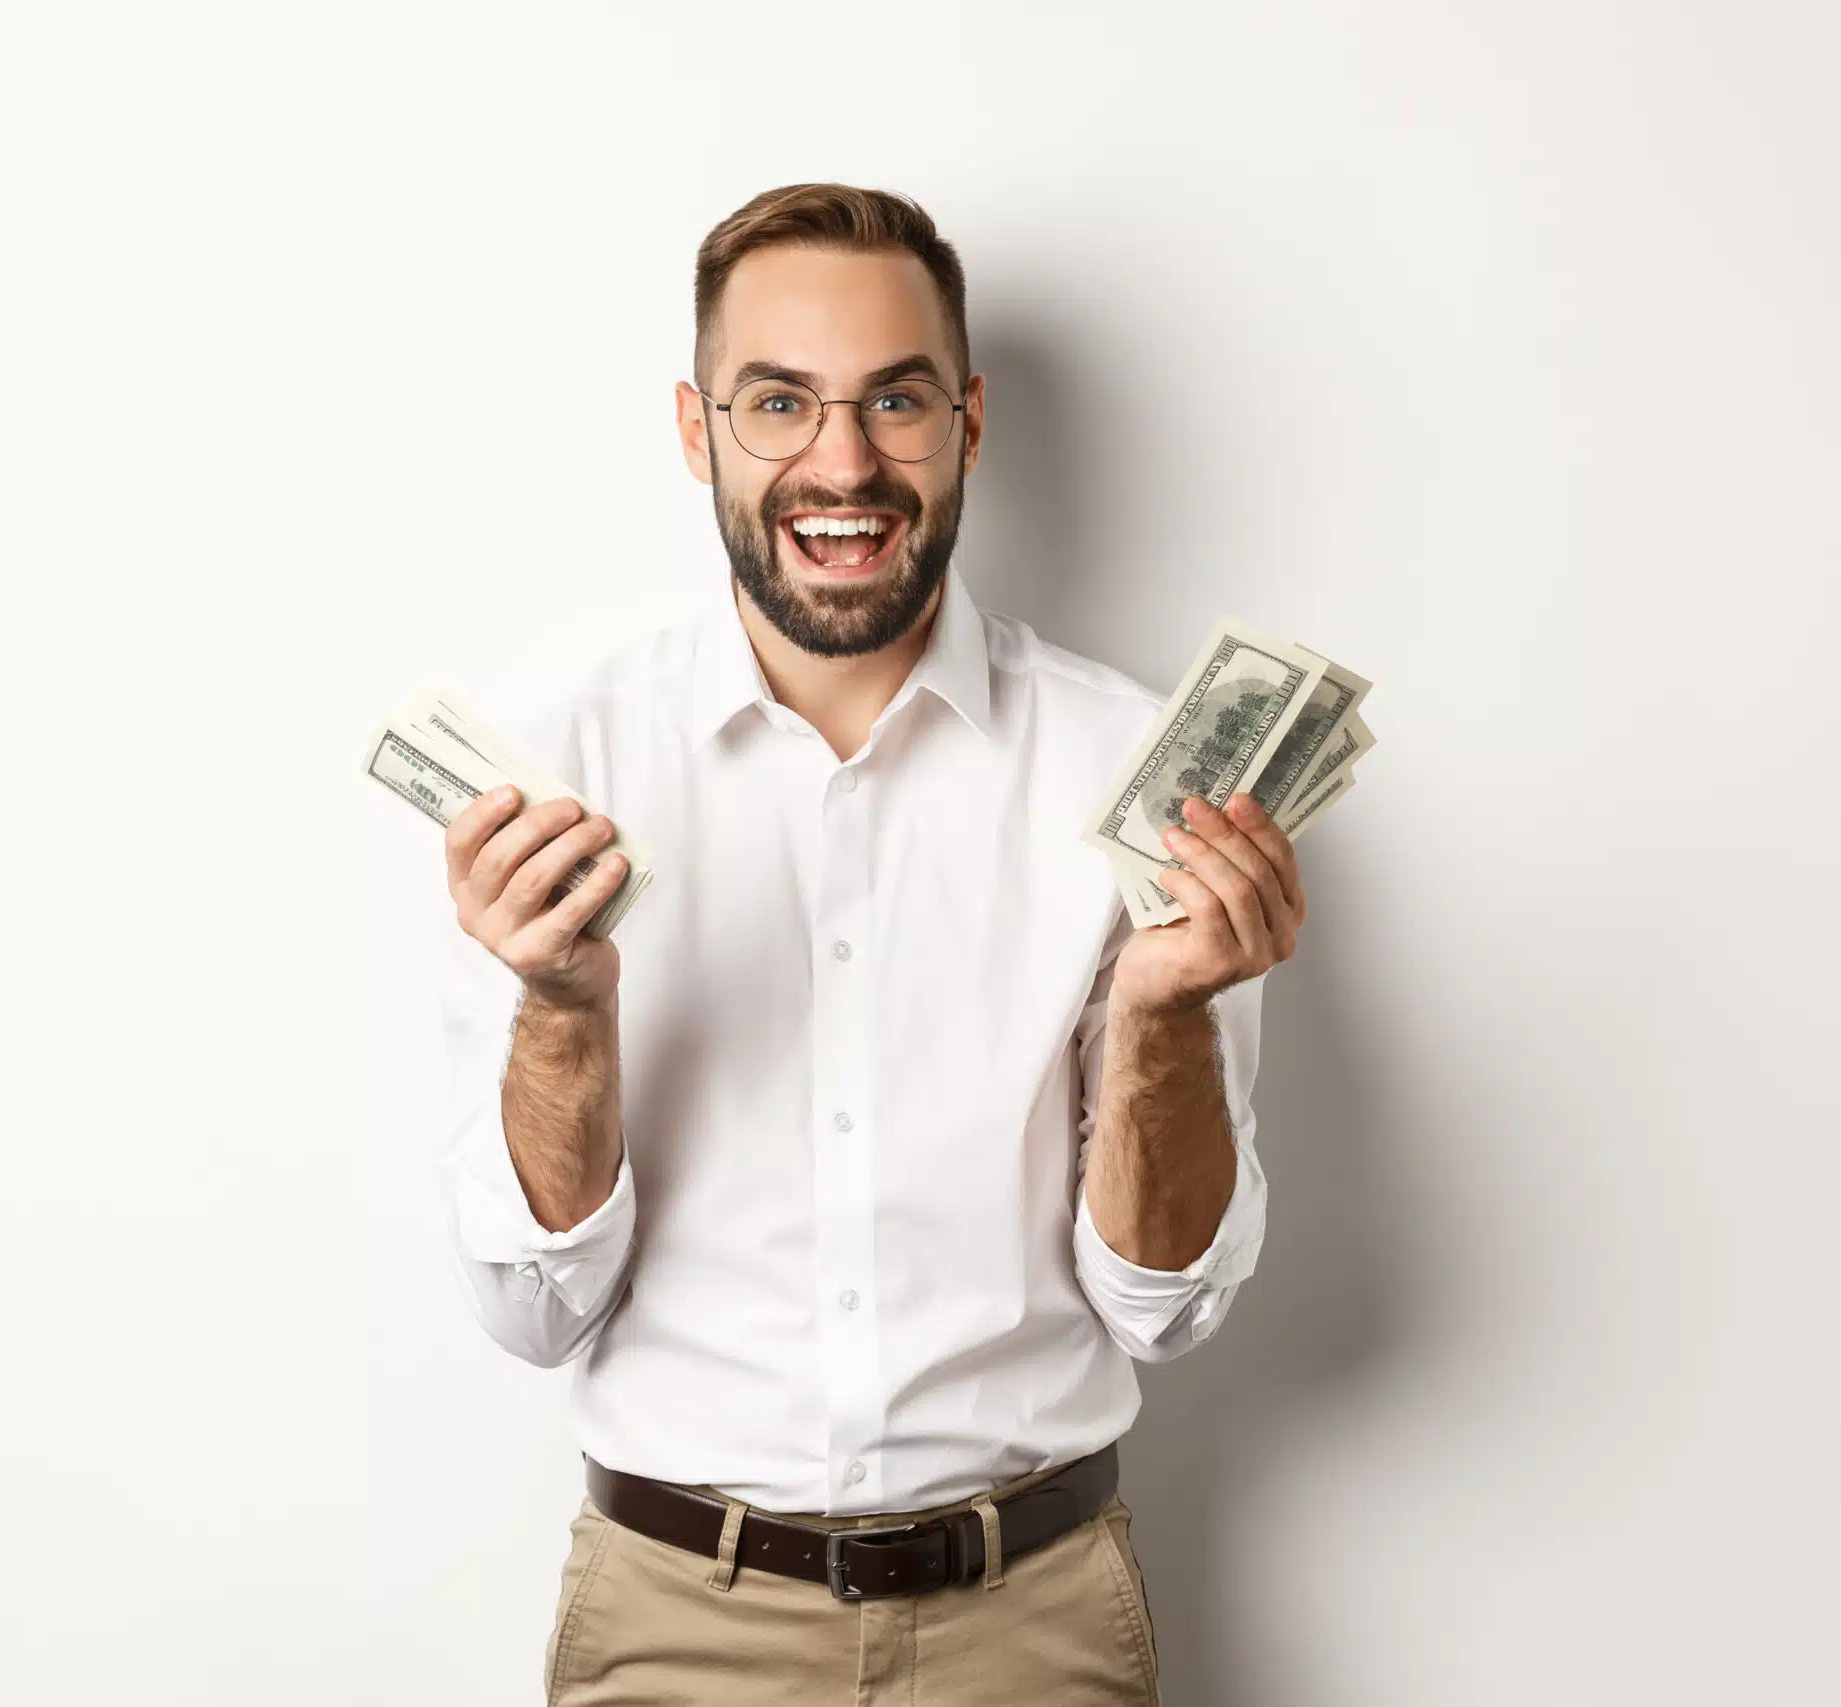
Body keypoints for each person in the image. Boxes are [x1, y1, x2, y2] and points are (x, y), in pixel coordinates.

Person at [430, 183, 1305, 1706]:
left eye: (894, 400)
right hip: (673, 1626)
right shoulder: (551, 781)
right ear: (700, 431)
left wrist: (1161, 1015)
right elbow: (533, 1308)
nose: (843, 463)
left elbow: (1163, 1309)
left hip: (1032, 1624)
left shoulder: (1130, 769)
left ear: (966, 420)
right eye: (781, 401)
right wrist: (561, 1008)